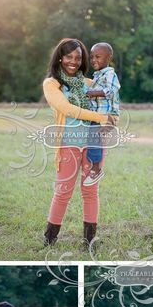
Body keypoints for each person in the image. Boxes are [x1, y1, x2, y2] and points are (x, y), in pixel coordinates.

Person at [43, 38, 110, 248]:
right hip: (69, 144)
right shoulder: (52, 84)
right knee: (63, 191)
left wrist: (110, 116)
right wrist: (101, 118)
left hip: (93, 143)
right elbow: (67, 109)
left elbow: (110, 100)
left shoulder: (89, 84)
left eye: (78, 58)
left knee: (90, 191)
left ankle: (89, 241)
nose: (73, 61)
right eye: (69, 57)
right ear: (60, 58)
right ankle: (49, 239)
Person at [84, 42, 120, 185]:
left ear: (109, 58)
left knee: (95, 135)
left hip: (108, 116)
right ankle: (90, 165)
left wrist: (90, 93)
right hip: (99, 115)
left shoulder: (110, 74)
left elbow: (110, 91)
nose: (93, 60)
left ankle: (96, 169)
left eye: (98, 57)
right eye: (91, 57)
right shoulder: (97, 75)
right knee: (91, 136)